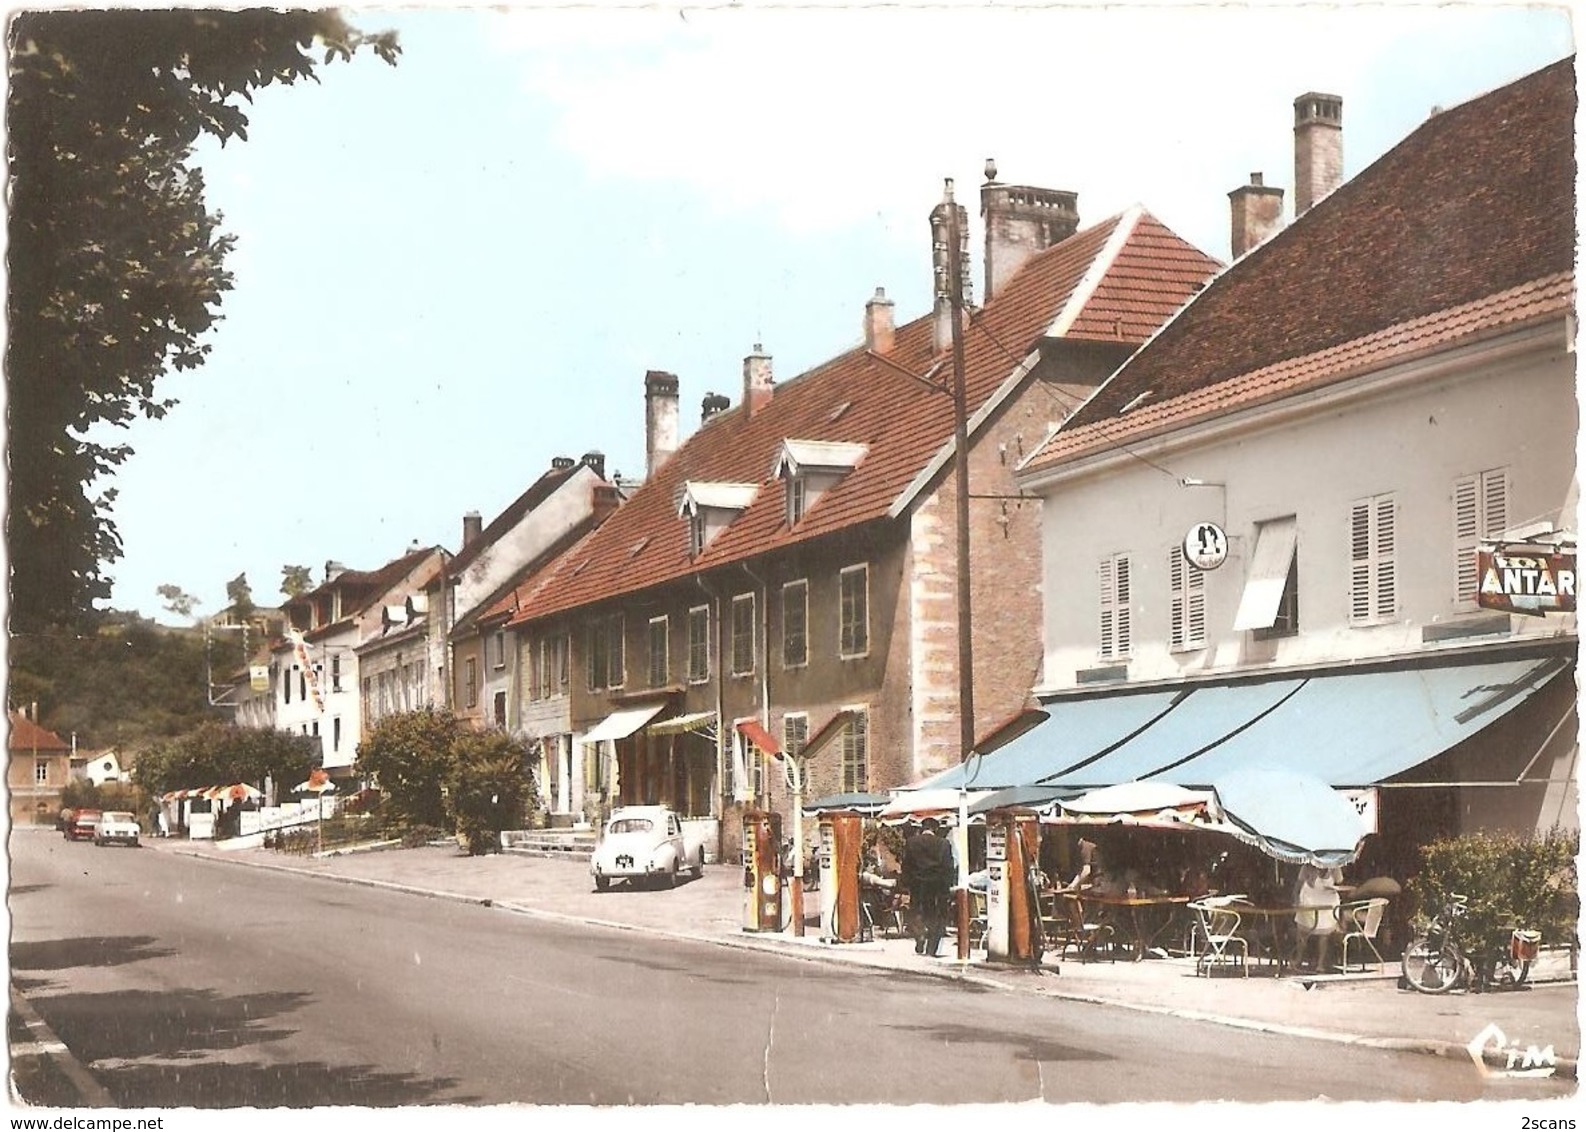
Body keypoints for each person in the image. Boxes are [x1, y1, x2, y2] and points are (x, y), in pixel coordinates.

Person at [901, 817, 954, 957]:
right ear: (936, 829)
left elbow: (906, 865)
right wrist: (948, 886)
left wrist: (905, 883)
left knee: (916, 912)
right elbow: (948, 867)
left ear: (921, 828)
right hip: (938, 886)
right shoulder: (944, 844)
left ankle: (919, 934)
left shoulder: (911, 843)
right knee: (936, 917)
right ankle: (931, 948)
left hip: (917, 884)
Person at [1292, 861, 1344, 972]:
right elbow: (1298, 885)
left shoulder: (1335, 867)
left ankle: (1320, 964)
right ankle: (1298, 959)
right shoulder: (1307, 867)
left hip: (1327, 902)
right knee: (1302, 932)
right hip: (1309, 901)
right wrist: (1296, 901)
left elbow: (1339, 883)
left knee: (1324, 935)